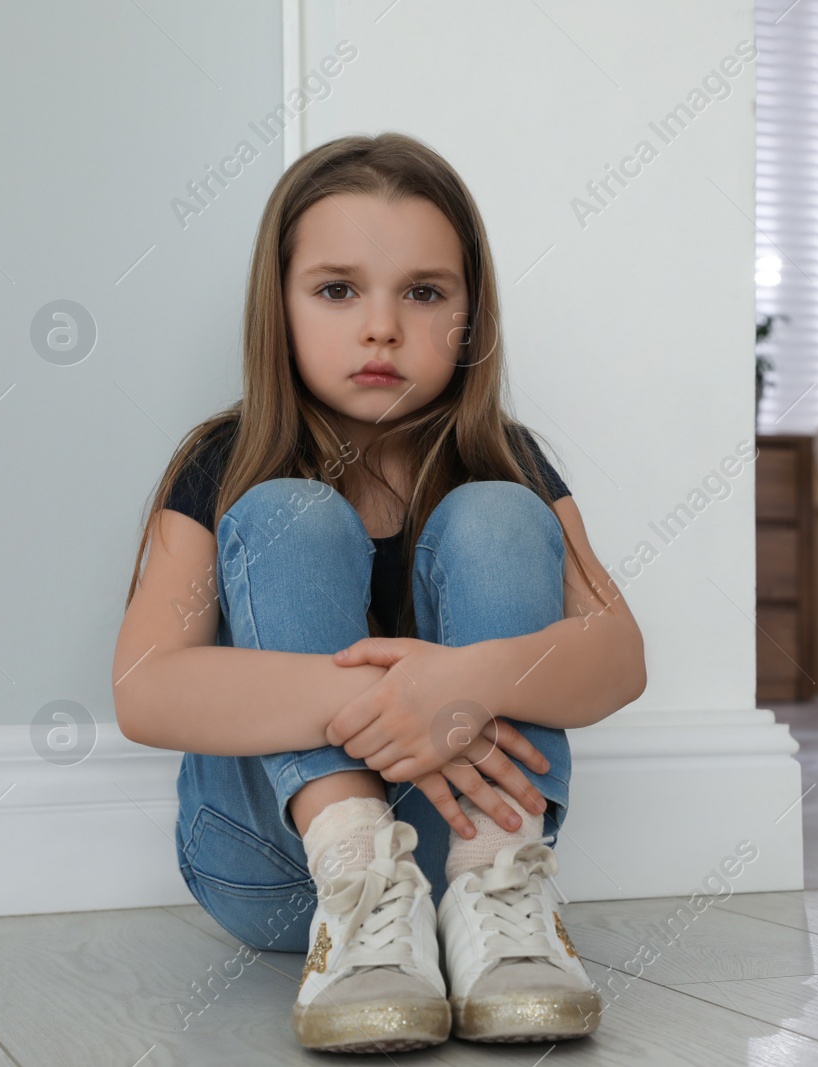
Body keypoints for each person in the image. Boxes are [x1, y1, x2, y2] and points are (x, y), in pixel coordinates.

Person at [112, 133, 647, 1052]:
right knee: (288, 513)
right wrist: (398, 698)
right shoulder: (224, 462)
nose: (381, 328)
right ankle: (356, 887)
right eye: (336, 290)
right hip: (271, 868)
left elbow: (620, 660)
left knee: (497, 513)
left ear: (471, 316)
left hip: (457, 873)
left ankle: (499, 883)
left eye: (425, 293)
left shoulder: (508, 461)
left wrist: (470, 680)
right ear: (276, 308)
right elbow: (145, 687)